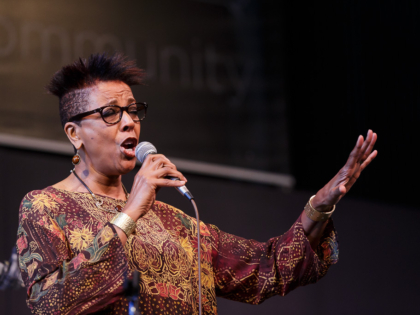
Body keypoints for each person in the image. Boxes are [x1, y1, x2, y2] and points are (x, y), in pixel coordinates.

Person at [17, 53, 377, 315]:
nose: (129, 123)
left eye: (133, 110)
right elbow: (51, 303)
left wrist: (320, 206)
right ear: (74, 133)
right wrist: (129, 214)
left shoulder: (178, 224)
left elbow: (268, 268)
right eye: (111, 113)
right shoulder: (46, 207)